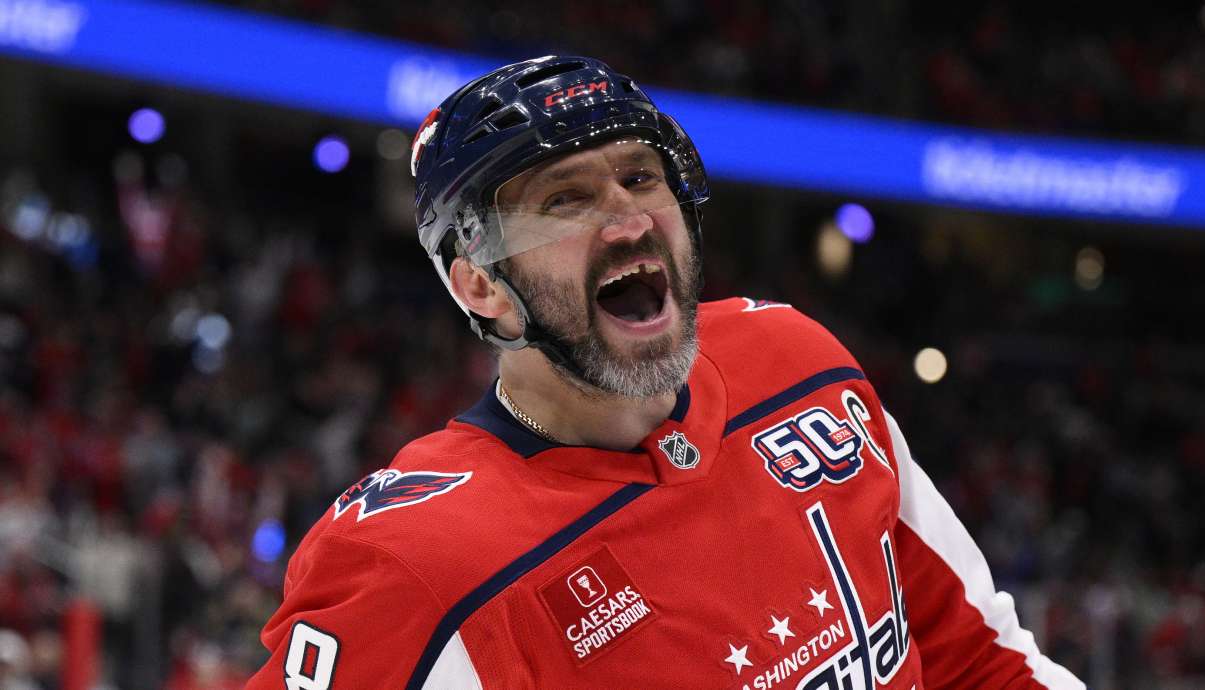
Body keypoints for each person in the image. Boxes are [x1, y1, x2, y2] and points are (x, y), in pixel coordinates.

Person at [247, 56, 1085, 690]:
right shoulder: (411, 563)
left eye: (640, 177)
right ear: (478, 283)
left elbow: (978, 658)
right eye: (565, 200)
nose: (628, 221)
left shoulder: (797, 363)